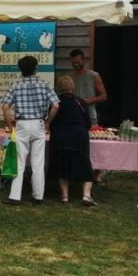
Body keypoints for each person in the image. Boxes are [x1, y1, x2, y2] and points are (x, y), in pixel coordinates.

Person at [1, 56, 60, 205]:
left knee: (19, 162)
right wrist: (48, 122)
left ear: (20, 69)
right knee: (38, 163)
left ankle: (15, 196)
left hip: (21, 124)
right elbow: (56, 105)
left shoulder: (15, 85)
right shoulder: (44, 84)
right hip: (39, 123)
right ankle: (38, 196)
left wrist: (10, 127)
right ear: (36, 68)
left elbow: (5, 107)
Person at [51, 76, 97, 206]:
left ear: (59, 88)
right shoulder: (81, 102)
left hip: (60, 136)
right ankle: (86, 195)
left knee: (62, 164)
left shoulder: (55, 102)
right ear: (73, 87)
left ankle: (65, 195)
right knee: (85, 165)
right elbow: (88, 122)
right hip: (79, 136)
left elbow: (52, 120)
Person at [68, 49, 108, 125]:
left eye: (78, 62)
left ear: (84, 60)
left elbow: (104, 96)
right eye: (73, 63)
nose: (76, 65)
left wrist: (87, 100)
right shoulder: (69, 77)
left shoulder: (94, 75)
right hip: (73, 116)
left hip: (90, 116)